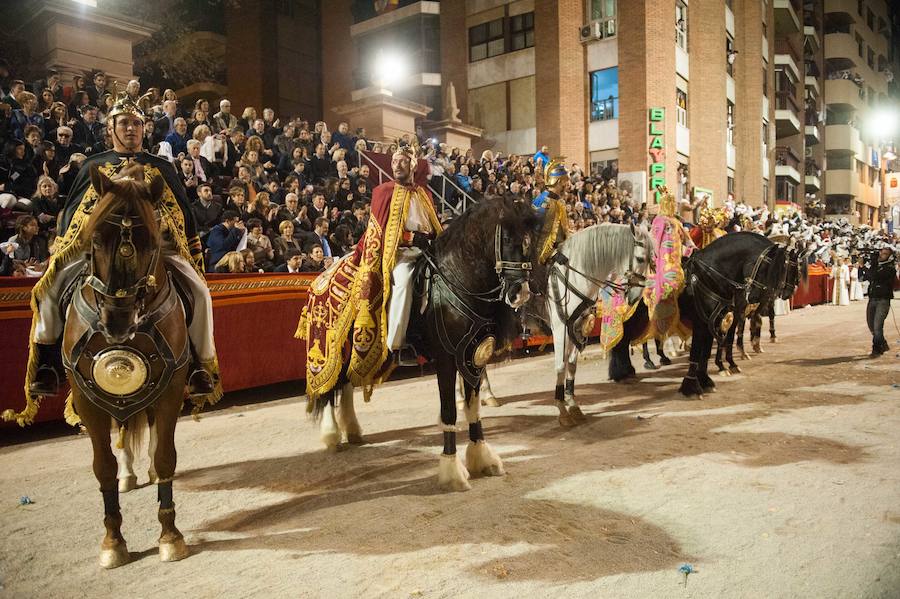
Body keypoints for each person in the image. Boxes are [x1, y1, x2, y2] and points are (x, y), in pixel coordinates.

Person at [12, 91, 222, 426]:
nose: (131, 129)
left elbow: (183, 214)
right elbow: (72, 215)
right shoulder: (93, 167)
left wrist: (181, 246)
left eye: (137, 123)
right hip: (100, 251)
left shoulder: (161, 168)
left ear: (144, 129)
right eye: (123, 123)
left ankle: (199, 364)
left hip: (156, 251)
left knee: (199, 292)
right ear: (111, 129)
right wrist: (73, 246)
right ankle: (49, 364)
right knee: (48, 292)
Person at [297, 144, 442, 401]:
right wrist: (411, 237)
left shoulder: (424, 194)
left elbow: (434, 227)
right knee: (405, 280)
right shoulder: (383, 192)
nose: (397, 165)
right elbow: (381, 232)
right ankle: (398, 344)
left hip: (425, 251)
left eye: (402, 161)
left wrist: (431, 239)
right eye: (394, 161)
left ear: (413, 165)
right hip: (397, 254)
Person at [866, 246, 896, 358]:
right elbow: (868, 276)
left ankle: (877, 349)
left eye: (884, 254)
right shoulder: (877, 266)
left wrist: (873, 263)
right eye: (881, 253)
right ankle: (883, 343)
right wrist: (872, 263)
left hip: (883, 300)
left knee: (877, 325)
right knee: (871, 325)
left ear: (889, 257)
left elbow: (877, 276)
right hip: (872, 299)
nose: (881, 256)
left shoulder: (890, 268)